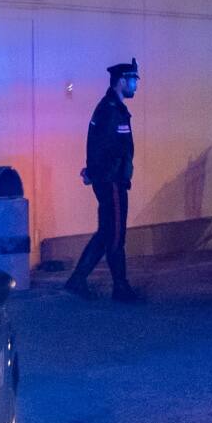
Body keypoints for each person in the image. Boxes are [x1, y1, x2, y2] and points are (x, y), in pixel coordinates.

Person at [65, 59, 142, 303]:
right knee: (116, 235)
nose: (136, 85)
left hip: (108, 180)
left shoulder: (110, 107)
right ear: (121, 82)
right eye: (132, 80)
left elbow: (100, 145)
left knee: (106, 232)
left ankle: (77, 280)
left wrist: (93, 172)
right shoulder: (111, 110)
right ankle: (120, 287)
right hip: (113, 182)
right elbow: (105, 148)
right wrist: (101, 174)